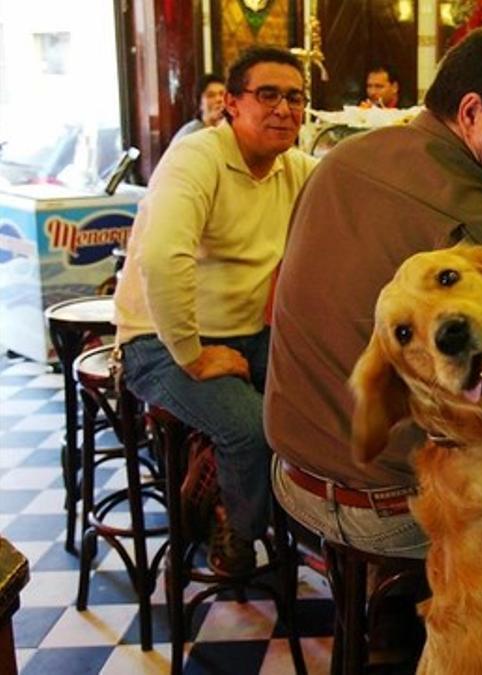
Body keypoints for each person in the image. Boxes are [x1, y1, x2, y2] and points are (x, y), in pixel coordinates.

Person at [265, 24, 482, 560]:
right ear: (473, 114)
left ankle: (386, 632)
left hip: (290, 474)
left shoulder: (340, 160)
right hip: (384, 510)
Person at [113, 46, 317, 576]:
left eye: (294, 97)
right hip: (157, 340)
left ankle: (299, 523)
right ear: (231, 103)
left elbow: (356, 194)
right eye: (267, 94)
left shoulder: (295, 169)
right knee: (251, 427)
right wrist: (192, 355)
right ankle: (235, 536)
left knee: (322, 399)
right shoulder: (197, 157)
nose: (283, 109)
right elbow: (161, 258)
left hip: (248, 334)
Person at [170, 74, 226, 145]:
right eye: (211, 95)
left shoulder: (227, 131)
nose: (219, 99)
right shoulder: (191, 134)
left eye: (222, 94)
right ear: (200, 104)